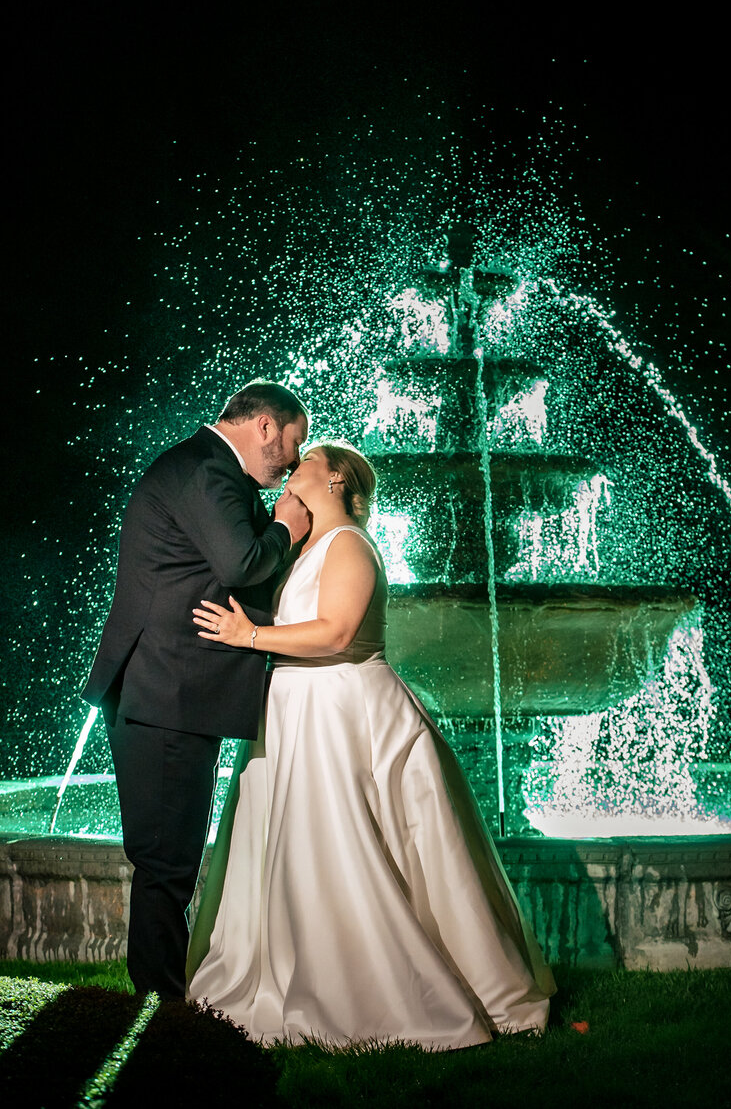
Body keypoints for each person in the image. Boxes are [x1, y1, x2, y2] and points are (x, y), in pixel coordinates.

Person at [186, 440, 555, 1049]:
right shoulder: (302, 552)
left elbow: (336, 631)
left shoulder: (349, 545)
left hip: (342, 711)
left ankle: (382, 988)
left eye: (305, 460)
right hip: (296, 710)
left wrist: (249, 635)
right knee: (296, 844)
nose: (289, 466)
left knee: (352, 840)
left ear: (334, 480)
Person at [82, 380, 311, 998]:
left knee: (170, 855)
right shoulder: (207, 470)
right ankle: (159, 1003)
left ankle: (161, 997)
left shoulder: (205, 468)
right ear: (265, 425)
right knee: (166, 860)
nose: (293, 460)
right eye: (295, 441)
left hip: (171, 692)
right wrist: (287, 526)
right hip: (166, 694)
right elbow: (241, 563)